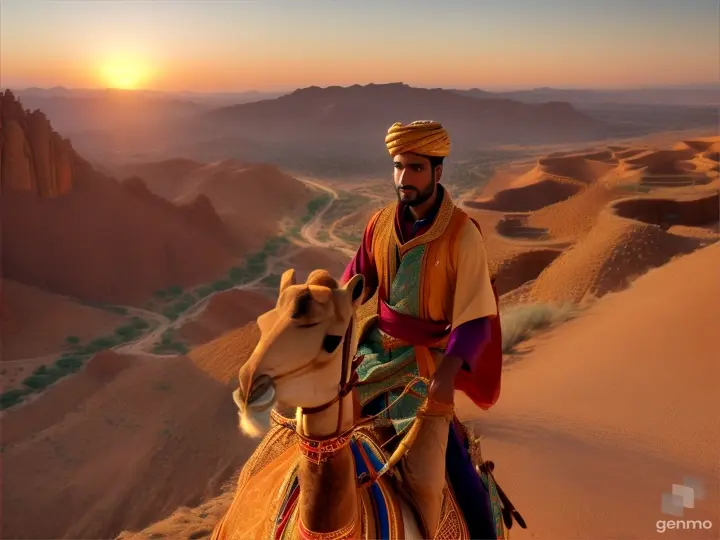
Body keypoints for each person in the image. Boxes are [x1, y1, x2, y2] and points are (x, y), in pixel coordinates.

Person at [341, 120, 504, 539]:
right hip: (372, 352)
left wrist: (447, 377)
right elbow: (356, 282)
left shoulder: (462, 235)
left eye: (414, 168)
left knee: (450, 463)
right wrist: (329, 305)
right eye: (398, 167)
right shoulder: (379, 224)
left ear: (438, 171)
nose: (403, 178)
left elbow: (476, 317)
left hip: (425, 364)